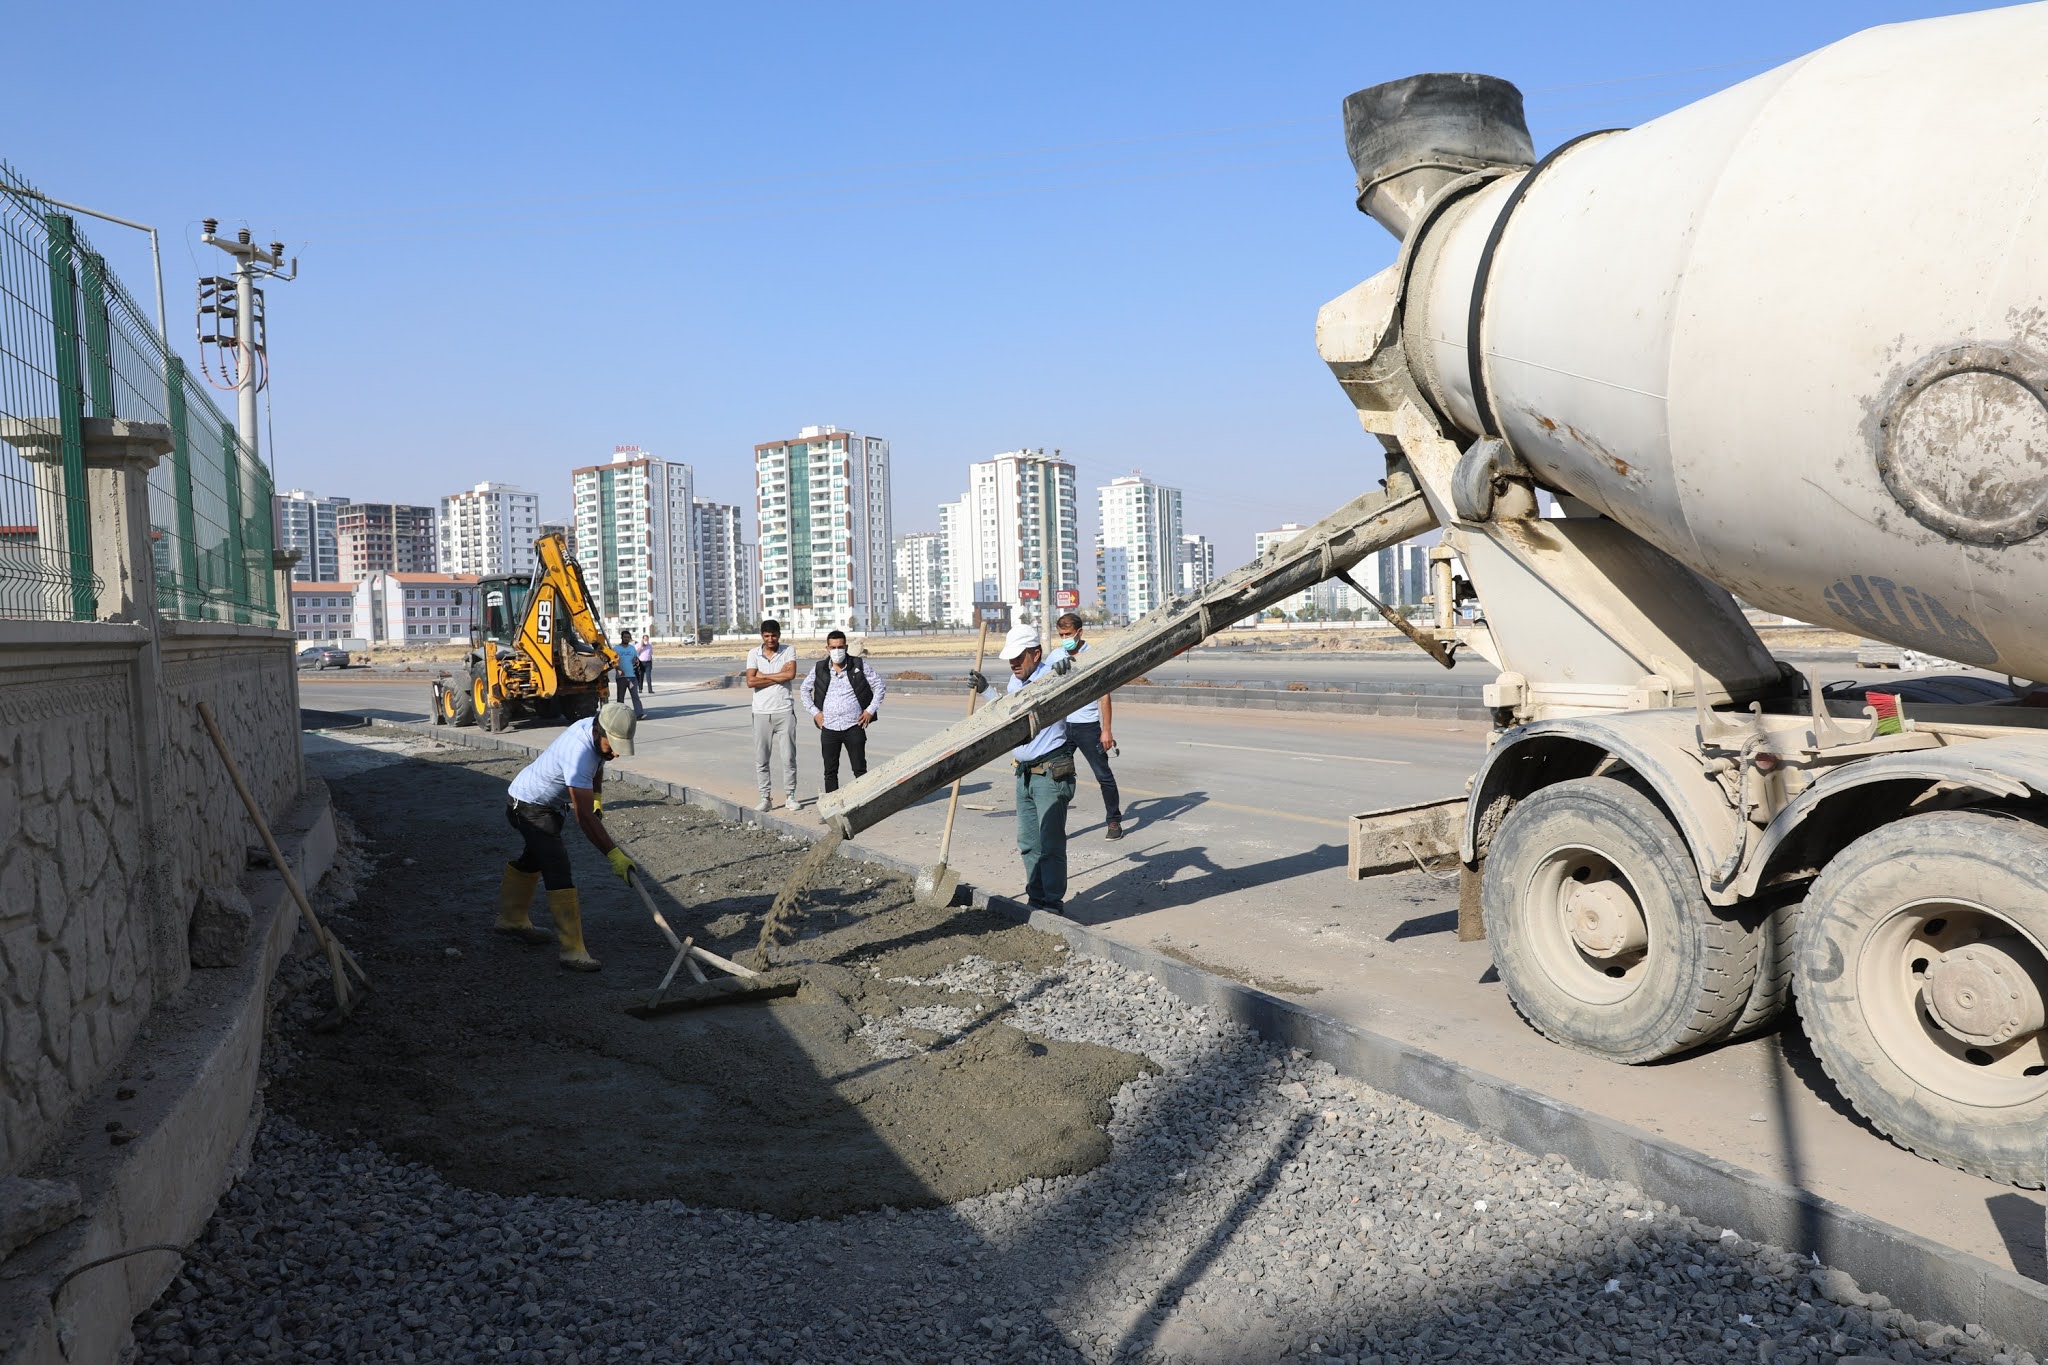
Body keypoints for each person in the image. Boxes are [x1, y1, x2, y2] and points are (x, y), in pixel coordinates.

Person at [495, 701, 639, 972]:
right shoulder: (579, 752)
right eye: (613, 746)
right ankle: (572, 951)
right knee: (557, 867)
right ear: (599, 732)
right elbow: (583, 817)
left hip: (547, 806)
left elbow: (600, 761)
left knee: (536, 857)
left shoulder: (594, 731)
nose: (616, 754)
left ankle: (511, 919)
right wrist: (614, 854)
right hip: (527, 806)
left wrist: (597, 796)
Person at [968, 623, 1078, 912]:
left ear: (1036, 653)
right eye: (1010, 658)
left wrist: (1070, 670)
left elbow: (1072, 673)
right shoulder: (1015, 682)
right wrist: (986, 691)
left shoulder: (1055, 673)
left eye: (1019, 657)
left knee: (1051, 843)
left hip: (1051, 771)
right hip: (1025, 773)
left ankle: (1052, 903)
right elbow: (1009, 714)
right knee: (1029, 842)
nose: (1013, 663)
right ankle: (1036, 897)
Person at [1055, 612, 1122, 839]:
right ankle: (1055, 828)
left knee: (1103, 775)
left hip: (1087, 726)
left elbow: (1104, 695)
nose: (1065, 638)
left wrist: (1106, 730)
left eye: (1068, 634)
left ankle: (1114, 822)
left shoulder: (1093, 655)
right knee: (1057, 778)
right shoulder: (1056, 656)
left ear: (1079, 632)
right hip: (1063, 727)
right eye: (1061, 635)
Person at [802, 629, 886, 793]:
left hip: (854, 726)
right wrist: (815, 712)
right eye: (833, 647)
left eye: (840, 647)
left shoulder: (858, 665)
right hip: (829, 727)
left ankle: (863, 804)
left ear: (846, 647)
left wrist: (870, 710)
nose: (837, 651)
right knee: (830, 772)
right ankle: (832, 808)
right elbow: (804, 689)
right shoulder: (820, 668)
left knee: (859, 769)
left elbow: (880, 686)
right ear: (827, 648)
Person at [745, 618, 800, 811]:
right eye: (767, 636)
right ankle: (765, 797)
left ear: (779, 635)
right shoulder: (754, 654)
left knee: (788, 757)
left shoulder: (788, 650)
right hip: (760, 712)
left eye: (774, 635)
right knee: (762, 759)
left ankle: (790, 795)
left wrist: (762, 676)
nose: (770, 639)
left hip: (784, 710)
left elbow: (790, 675)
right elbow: (750, 682)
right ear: (761, 636)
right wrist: (778, 675)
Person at [613, 630, 646, 718]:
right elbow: (613, 662)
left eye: (628, 637)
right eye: (625, 637)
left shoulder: (632, 648)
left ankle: (639, 713)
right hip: (621, 677)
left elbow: (635, 658)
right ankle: (619, 715)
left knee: (635, 696)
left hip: (632, 676)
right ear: (622, 637)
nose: (626, 639)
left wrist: (635, 661)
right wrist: (618, 669)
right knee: (620, 698)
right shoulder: (616, 649)